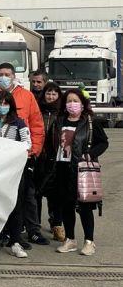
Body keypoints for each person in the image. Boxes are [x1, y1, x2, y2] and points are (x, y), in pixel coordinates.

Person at [0, 63, 46, 245]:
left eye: (7, 74)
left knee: (26, 196)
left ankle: (32, 230)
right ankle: (0, 233)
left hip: (21, 159)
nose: (3, 77)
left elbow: (37, 125)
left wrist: (34, 150)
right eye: (0, 74)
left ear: (14, 75)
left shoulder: (26, 96)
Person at [51, 89, 108, 256]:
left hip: (82, 169)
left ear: (82, 104)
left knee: (84, 207)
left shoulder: (90, 122)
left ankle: (89, 242)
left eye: (75, 100)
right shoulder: (59, 121)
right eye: (68, 101)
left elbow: (103, 143)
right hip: (62, 168)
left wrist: (90, 154)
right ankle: (70, 240)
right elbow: (52, 143)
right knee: (67, 206)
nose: (71, 104)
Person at [0, 90, 32, 259]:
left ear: (11, 105)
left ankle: (15, 241)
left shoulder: (19, 123)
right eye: (0, 102)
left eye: (6, 103)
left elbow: (27, 144)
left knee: (15, 206)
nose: (2, 106)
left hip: (13, 173)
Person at [35, 82, 63, 241]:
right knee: (36, 193)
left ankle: (56, 224)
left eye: (54, 94)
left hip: (56, 159)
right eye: (48, 93)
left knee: (55, 195)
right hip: (40, 157)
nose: (50, 96)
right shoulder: (38, 109)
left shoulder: (62, 113)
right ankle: (35, 225)